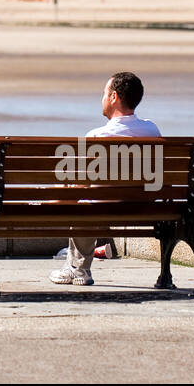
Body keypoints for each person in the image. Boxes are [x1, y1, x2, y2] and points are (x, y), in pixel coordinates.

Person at [50, 71, 160, 286]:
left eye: (104, 93)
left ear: (114, 97)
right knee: (83, 198)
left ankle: (79, 269)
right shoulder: (152, 130)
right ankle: (165, 273)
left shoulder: (96, 137)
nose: (101, 98)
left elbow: (80, 185)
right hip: (145, 206)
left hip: (101, 209)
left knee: (79, 201)